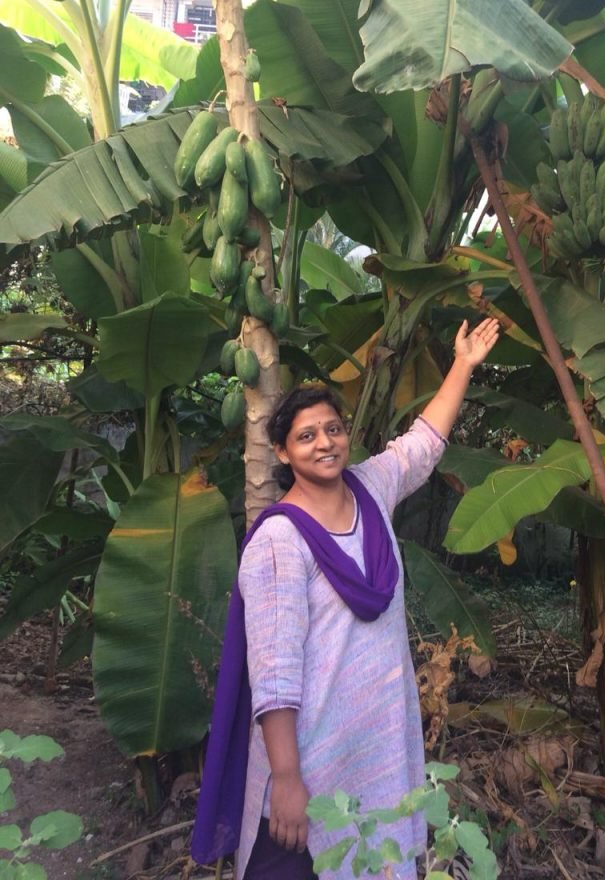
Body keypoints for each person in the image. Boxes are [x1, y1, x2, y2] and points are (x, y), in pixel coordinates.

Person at [191, 318, 500, 880]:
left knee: (374, 855)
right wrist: (286, 777)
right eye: (306, 436)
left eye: (331, 430)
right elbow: (274, 675)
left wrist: (463, 364)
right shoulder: (280, 543)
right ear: (283, 453)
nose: (324, 443)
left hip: (377, 743)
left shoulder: (371, 489)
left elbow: (422, 445)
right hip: (309, 754)